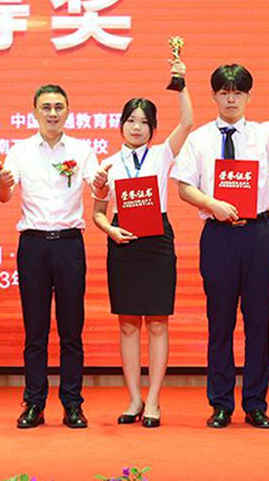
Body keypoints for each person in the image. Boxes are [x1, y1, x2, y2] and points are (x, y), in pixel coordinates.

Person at [174, 62, 269, 429]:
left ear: (248, 96)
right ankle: (221, 403)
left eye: (238, 92)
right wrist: (212, 204)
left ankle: (255, 403)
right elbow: (184, 186)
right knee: (219, 322)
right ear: (214, 96)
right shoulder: (199, 139)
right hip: (218, 235)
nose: (231, 99)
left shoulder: (263, 133)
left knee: (258, 322)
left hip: (258, 235)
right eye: (224, 92)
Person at [90, 58, 193, 428]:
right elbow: (98, 213)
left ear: (153, 128)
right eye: (131, 121)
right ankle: (134, 397)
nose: (137, 127)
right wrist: (110, 230)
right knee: (128, 324)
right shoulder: (107, 164)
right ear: (121, 125)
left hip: (157, 241)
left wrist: (181, 84)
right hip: (123, 241)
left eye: (144, 122)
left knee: (158, 323)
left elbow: (187, 123)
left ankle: (153, 400)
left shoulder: (162, 153)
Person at [0, 84, 100, 429]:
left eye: (58, 107)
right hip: (33, 246)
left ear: (68, 111)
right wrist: (3, 182)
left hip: (69, 245)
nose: (52, 113)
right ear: (35, 112)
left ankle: (72, 404)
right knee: (35, 331)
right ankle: (34, 403)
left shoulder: (83, 150)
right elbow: (3, 195)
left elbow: (98, 187)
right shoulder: (19, 151)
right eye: (46, 107)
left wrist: (102, 183)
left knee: (72, 330)